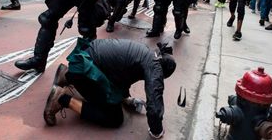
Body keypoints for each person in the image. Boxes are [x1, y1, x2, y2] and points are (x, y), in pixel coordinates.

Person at [43, 38, 176, 139]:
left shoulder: (146, 53)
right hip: (84, 70)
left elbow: (119, 74)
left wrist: (126, 99)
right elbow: (154, 104)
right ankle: (62, 98)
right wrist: (157, 131)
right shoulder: (154, 69)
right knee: (114, 118)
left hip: (85, 58)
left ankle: (66, 75)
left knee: (112, 97)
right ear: (162, 73)